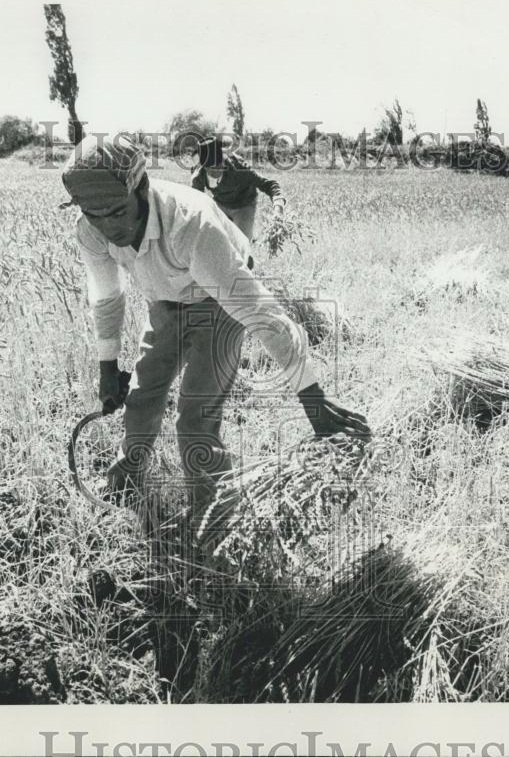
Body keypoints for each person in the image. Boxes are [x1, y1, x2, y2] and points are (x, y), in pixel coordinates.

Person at [60, 135, 370, 524]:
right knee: (140, 399)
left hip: (219, 298)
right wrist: (108, 367)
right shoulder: (91, 227)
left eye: (118, 212)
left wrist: (313, 398)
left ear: (141, 188)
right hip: (167, 296)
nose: (108, 227)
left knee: (196, 416)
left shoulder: (191, 225)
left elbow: (259, 312)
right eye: (94, 215)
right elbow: (106, 297)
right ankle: (127, 481)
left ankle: (217, 513)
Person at [190, 137, 286, 241]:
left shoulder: (239, 169)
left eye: (220, 164)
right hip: (221, 204)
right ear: (204, 167)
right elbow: (197, 202)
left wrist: (278, 209)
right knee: (217, 242)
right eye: (212, 167)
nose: (218, 169)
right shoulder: (198, 177)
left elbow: (270, 185)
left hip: (244, 205)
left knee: (242, 245)